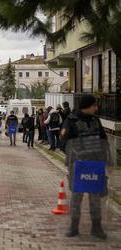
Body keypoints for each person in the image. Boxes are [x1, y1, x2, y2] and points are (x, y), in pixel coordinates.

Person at [61, 95, 108, 239]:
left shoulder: (95, 121)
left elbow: (103, 141)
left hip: (94, 165)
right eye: (94, 105)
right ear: (87, 106)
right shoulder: (72, 120)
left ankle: (96, 226)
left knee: (95, 197)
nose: (96, 108)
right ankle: (74, 227)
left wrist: (104, 163)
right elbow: (63, 142)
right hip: (78, 166)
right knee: (76, 197)